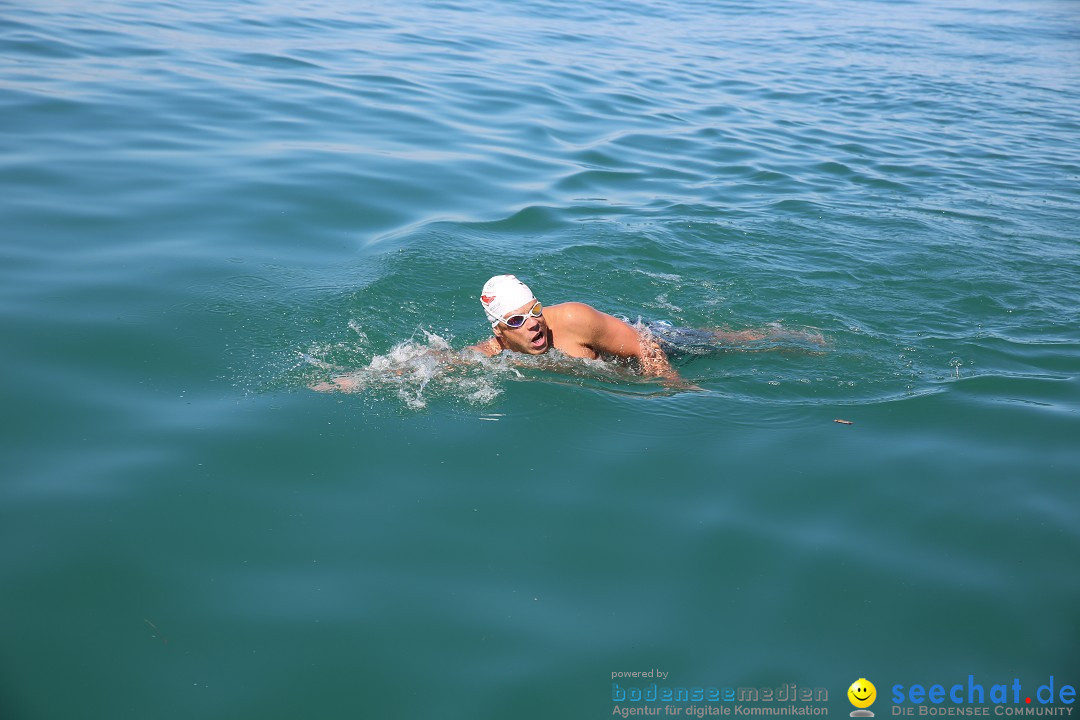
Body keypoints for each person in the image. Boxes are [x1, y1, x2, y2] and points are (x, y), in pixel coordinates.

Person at [467, 274, 681, 381]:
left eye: (535, 311)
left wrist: (670, 384)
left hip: (659, 339)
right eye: (516, 320)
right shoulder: (496, 354)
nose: (533, 323)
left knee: (712, 342)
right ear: (498, 330)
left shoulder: (575, 319)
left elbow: (644, 345)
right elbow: (453, 361)